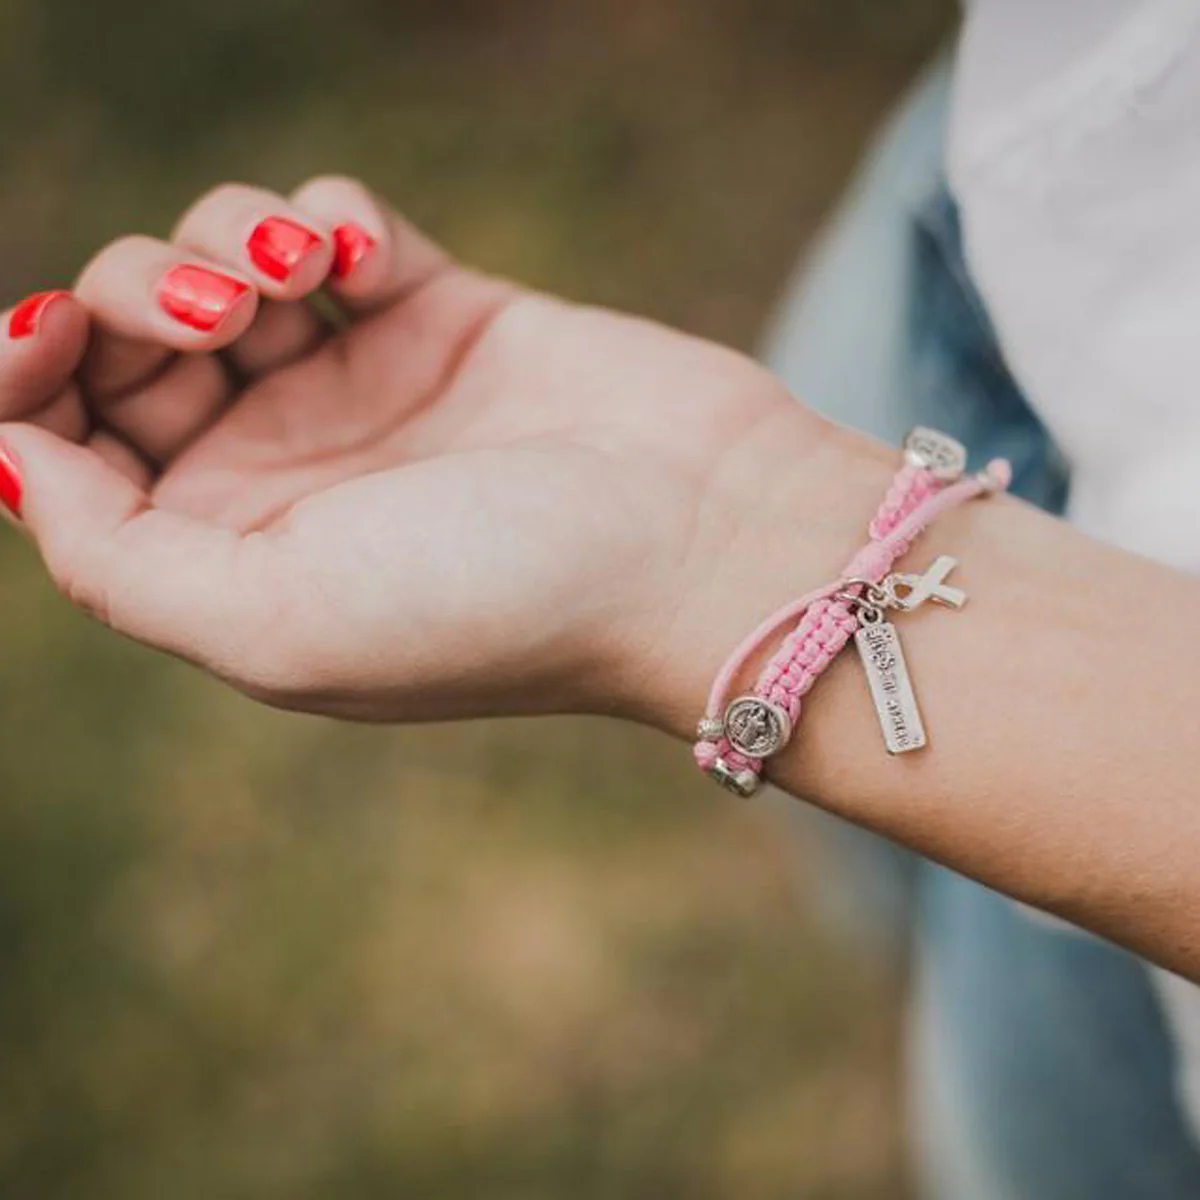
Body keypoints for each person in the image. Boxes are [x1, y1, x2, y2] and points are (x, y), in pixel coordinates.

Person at [1, 7, 1200, 1196]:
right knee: (910, 926)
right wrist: (746, 505)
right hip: (1017, 206)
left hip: (1106, 755)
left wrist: (698, 562)